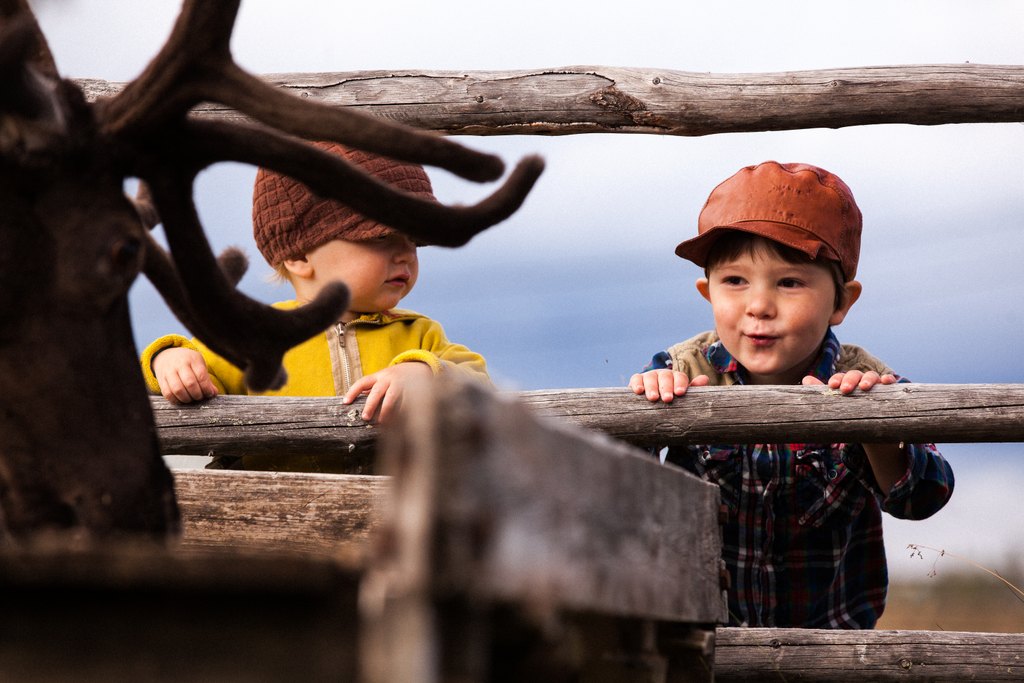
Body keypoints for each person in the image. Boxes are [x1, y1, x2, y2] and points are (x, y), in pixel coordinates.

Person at [628, 161, 954, 629]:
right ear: (707, 292)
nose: (759, 306)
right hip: (703, 647)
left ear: (842, 302)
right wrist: (649, 411)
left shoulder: (866, 383)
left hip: (830, 652)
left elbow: (921, 499)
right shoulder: (680, 372)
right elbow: (619, 482)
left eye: (790, 282)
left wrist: (878, 433)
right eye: (734, 281)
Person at [140, 141, 489, 471]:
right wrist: (167, 360)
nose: (405, 254)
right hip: (278, 521)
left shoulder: (419, 336)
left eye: (414, 239)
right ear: (299, 256)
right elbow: (181, 373)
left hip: (392, 522)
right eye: (381, 237)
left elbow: (478, 383)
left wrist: (423, 373)